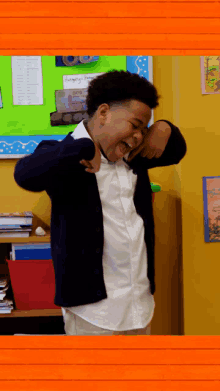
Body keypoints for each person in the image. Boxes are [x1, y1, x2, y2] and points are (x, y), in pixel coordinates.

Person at [14, 70, 187, 336]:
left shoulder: (133, 156)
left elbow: (177, 150)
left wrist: (163, 127)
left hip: (138, 304)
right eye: (135, 124)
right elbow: (25, 173)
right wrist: (83, 148)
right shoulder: (65, 157)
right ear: (104, 113)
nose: (139, 136)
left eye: (144, 129)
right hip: (92, 312)